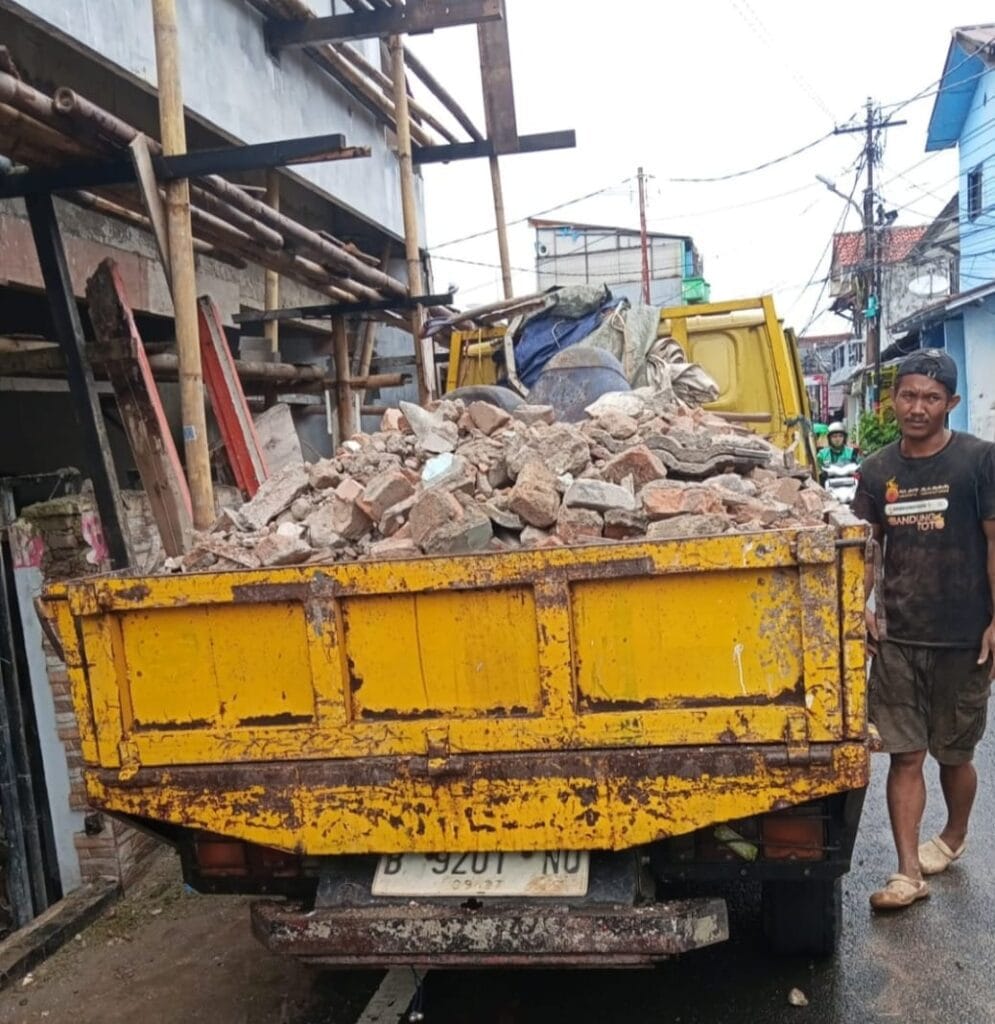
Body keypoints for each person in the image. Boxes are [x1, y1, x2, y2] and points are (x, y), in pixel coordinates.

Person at [853, 349, 995, 911]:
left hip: (964, 638)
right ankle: (907, 873)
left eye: (931, 398)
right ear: (893, 400)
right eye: (909, 395)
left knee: (954, 755)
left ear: (951, 403)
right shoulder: (876, 470)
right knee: (904, 755)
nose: (918, 407)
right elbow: (865, 549)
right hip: (898, 638)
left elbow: (994, 544)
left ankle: (954, 835)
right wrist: (858, 609)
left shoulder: (978, 462)